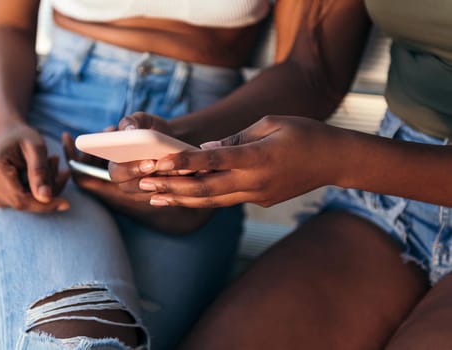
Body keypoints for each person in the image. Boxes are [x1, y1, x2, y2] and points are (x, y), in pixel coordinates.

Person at [0, 0, 370, 349]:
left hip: (210, 141)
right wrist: (6, 123)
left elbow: (311, 70)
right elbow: (8, 24)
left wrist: (187, 146)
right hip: (52, 135)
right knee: (73, 333)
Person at [110, 0, 452, 349]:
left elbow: (339, 155)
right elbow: (312, 69)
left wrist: (341, 160)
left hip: (376, 168)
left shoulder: (348, 161)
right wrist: (185, 144)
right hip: (392, 199)